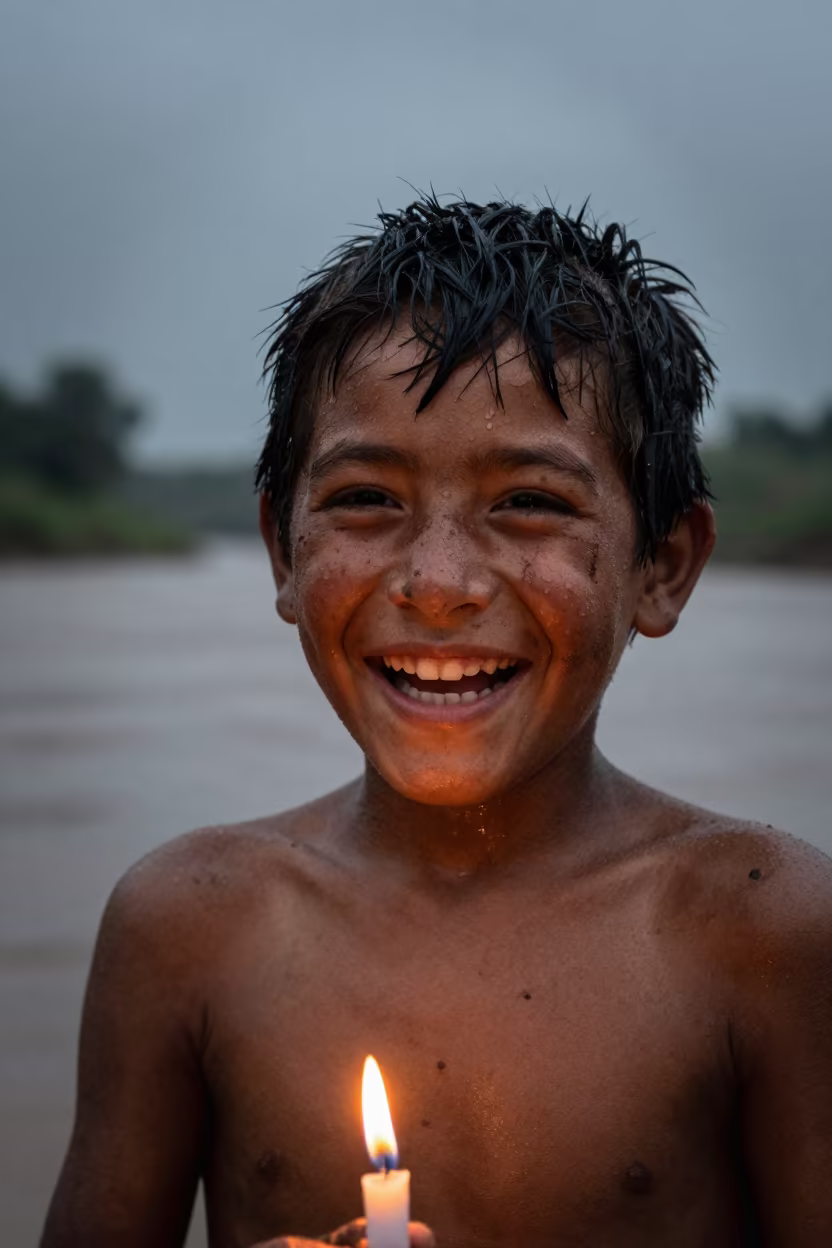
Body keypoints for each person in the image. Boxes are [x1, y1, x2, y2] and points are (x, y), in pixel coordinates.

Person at [40, 195, 832, 1248]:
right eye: (365, 498)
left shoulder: (761, 930)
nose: (439, 583)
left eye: (531, 504)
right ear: (283, 548)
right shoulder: (190, 928)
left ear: (663, 566)